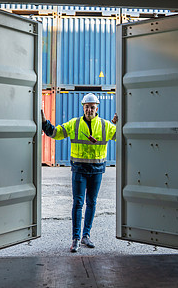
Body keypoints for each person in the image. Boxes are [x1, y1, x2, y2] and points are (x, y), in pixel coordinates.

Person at [41, 93, 118, 253]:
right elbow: (55, 133)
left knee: (92, 203)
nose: (89, 109)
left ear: (97, 108)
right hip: (79, 170)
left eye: (92, 107)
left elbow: (122, 136)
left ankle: (86, 236)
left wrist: (120, 122)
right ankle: (75, 238)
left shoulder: (106, 125)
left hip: (97, 170)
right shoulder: (74, 124)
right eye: (87, 107)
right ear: (83, 107)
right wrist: (43, 121)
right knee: (78, 203)